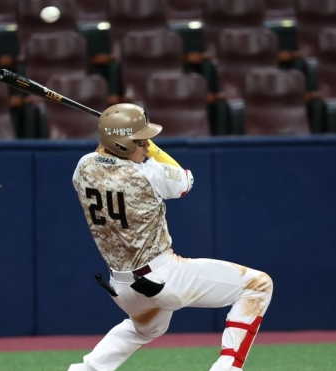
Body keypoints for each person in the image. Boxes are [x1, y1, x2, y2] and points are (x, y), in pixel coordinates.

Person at [70, 103, 273, 371]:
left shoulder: (83, 167)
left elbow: (101, 156)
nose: (147, 145)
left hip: (121, 287)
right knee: (258, 285)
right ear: (122, 144)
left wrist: (122, 134)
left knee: (143, 330)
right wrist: (153, 150)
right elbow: (186, 181)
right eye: (141, 141)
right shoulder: (149, 173)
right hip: (163, 277)